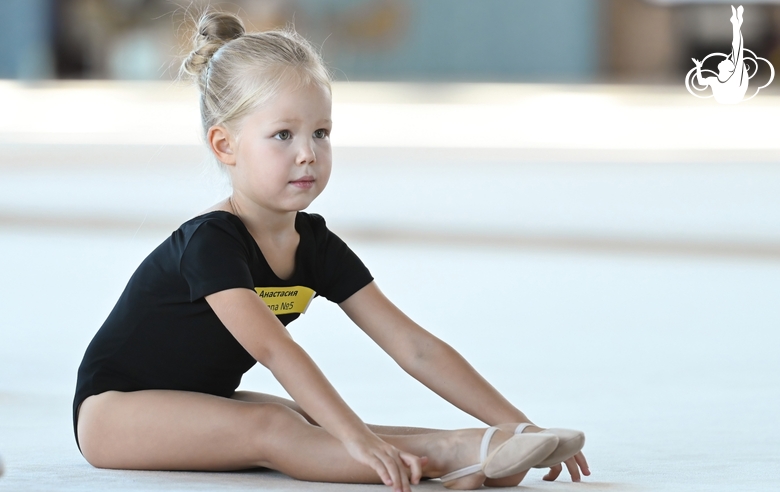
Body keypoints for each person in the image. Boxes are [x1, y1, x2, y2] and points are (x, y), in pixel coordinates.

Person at [73, 10, 589, 491]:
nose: (307, 153)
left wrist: (516, 420)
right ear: (224, 145)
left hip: (198, 403)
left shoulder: (314, 245)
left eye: (321, 132)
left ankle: (491, 444)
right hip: (115, 413)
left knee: (313, 420)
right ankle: (450, 458)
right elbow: (275, 351)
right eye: (282, 135)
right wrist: (359, 444)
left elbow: (415, 347)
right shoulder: (210, 243)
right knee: (278, 425)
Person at [692, 5, 748, 104]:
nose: (725, 59)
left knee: (737, 50)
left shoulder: (733, 78)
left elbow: (737, 48)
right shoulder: (716, 79)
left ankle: (736, 23)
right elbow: (701, 82)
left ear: (729, 69)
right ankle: (736, 23)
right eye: (728, 61)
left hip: (732, 99)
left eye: (727, 61)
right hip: (727, 100)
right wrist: (698, 67)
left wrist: (736, 25)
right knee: (736, 50)